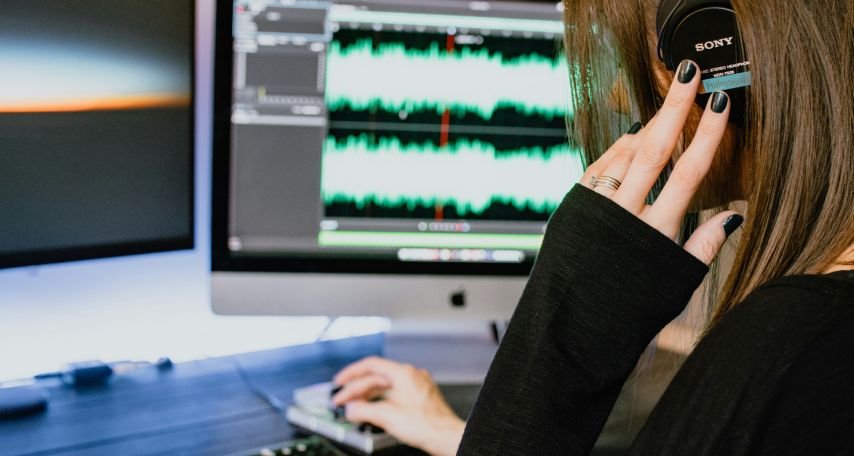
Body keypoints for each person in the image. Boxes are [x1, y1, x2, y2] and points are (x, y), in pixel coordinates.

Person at [331, 0, 854, 454]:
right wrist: (464, 437)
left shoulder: (786, 344)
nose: (618, 99)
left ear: (723, 56)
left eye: (638, 60)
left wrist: (569, 325)